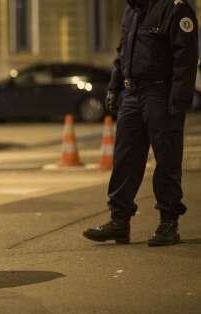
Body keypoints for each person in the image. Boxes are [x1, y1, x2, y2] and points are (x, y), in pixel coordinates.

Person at [83, 0, 198, 246]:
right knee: (125, 158)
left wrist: (178, 104)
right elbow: (122, 53)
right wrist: (114, 87)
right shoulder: (132, 11)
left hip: (160, 94)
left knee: (166, 159)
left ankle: (168, 223)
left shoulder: (175, 9)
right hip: (132, 94)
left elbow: (186, 61)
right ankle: (119, 221)